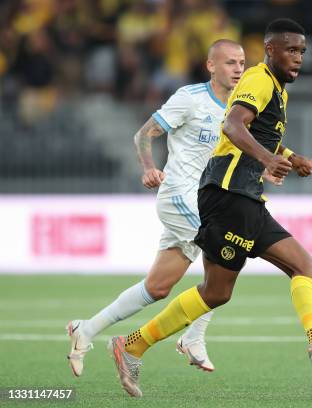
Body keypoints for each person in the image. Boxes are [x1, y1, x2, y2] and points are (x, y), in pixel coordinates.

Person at [108, 18, 312, 398]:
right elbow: (232, 126)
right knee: (232, 286)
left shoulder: (277, 89)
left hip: (240, 195)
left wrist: (290, 157)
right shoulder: (260, 79)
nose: (298, 58)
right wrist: (265, 158)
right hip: (229, 193)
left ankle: (131, 345)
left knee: (273, 275)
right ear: (270, 50)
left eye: (302, 52)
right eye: (291, 50)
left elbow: (255, 131)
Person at [67, 39, 265, 377]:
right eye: (230, 62)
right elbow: (144, 134)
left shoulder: (240, 108)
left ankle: (85, 329)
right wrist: (147, 167)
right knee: (223, 252)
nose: (238, 69)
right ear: (211, 66)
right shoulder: (190, 98)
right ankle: (194, 337)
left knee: (157, 287)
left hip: (206, 203)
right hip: (177, 196)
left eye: (242, 62)